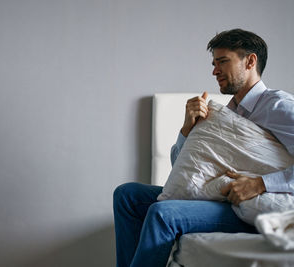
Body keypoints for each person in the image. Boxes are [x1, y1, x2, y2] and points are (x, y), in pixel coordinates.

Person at [113, 28, 294, 267]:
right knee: (127, 195)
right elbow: (184, 172)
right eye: (214, 63)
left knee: (162, 214)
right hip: (221, 195)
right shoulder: (226, 113)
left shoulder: (278, 106)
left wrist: (260, 184)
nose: (214, 70)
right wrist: (187, 128)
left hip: (254, 207)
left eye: (222, 61)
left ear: (250, 61)